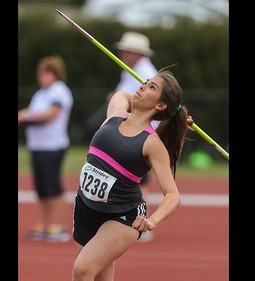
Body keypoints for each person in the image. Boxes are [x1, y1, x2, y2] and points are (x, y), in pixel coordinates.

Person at [72, 68, 193, 281]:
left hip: (122, 215)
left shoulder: (153, 144)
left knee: (82, 270)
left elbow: (173, 196)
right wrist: (172, 116)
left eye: (151, 87)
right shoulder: (116, 114)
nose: (142, 86)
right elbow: (124, 96)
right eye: (145, 82)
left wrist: (152, 221)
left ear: (160, 104)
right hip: (85, 205)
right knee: (100, 276)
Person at [18, 54, 74, 243]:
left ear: (55, 73)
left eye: (45, 72)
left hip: (52, 146)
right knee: (41, 188)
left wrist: (26, 116)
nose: (41, 76)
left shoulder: (59, 91)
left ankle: (59, 226)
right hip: (37, 146)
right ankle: (45, 223)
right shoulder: (40, 93)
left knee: (53, 187)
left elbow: (50, 115)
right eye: (40, 72)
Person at [113, 31, 159, 242]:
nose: (122, 52)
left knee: (139, 180)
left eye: (126, 49)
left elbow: (146, 105)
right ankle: (129, 220)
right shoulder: (129, 71)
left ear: (136, 52)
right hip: (127, 130)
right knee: (129, 178)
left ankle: (141, 222)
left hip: (140, 134)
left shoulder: (146, 73)